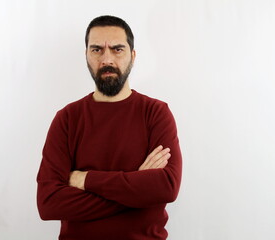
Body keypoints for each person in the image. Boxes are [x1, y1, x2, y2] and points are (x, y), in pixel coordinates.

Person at [36, 15, 182, 240]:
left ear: (132, 57)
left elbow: (166, 187)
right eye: (96, 50)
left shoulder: (156, 113)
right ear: (86, 55)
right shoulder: (67, 119)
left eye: (117, 49)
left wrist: (86, 180)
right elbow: (48, 204)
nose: (107, 59)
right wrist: (136, 188)